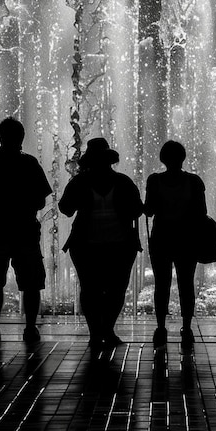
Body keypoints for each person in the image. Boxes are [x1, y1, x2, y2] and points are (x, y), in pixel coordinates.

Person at [0, 117, 52, 345]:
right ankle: (30, 329)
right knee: (31, 282)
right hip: (25, 230)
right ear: (21, 138)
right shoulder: (30, 164)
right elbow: (41, 201)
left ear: (0, 137)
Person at [59, 138, 143, 349]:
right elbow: (138, 209)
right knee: (108, 289)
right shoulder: (121, 182)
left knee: (97, 290)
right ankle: (102, 330)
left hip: (95, 245)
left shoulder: (82, 182)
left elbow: (65, 208)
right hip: (113, 245)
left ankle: (100, 331)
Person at [144, 141, 207, 348]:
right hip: (186, 239)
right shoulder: (194, 181)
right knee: (186, 284)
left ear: (163, 158)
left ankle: (161, 328)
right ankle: (187, 328)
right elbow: (201, 213)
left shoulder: (155, 181)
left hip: (161, 237)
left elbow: (149, 210)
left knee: (161, 285)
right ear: (183, 157)